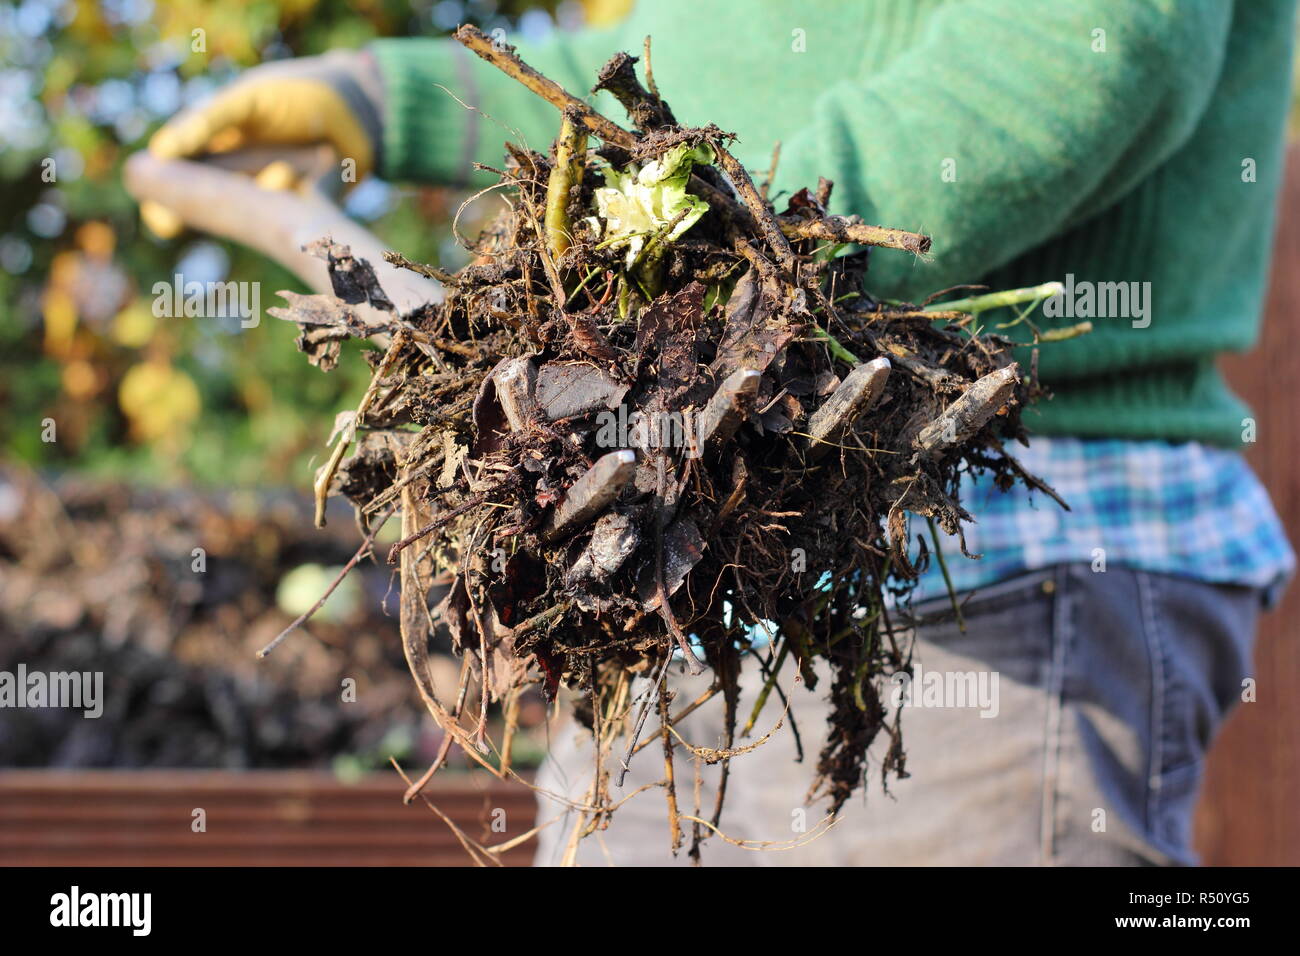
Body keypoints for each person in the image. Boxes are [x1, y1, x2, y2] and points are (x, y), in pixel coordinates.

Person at [137, 0, 1296, 865]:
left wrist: (714, 263)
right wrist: (369, 99)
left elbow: (1079, 50)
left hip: (989, 556)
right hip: (673, 571)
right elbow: (666, 74)